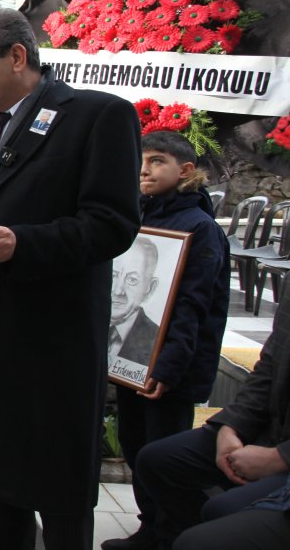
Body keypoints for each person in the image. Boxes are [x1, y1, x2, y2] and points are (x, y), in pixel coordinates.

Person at [0, 8, 141, 549]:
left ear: (16, 56)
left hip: (51, 348)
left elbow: (113, 224)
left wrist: (26, 244)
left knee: (60, 503)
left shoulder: (98, 116)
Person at [103, 131, 230, 550]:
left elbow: (193, 305)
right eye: (142, 161)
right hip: (134, 361)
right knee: (137, 446)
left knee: (162, 451)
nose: (145, 170)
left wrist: (168, 367)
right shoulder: (141, 214)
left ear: (186, 170)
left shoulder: (200, 227)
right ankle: (150, 527)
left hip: (169, 370)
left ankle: (172, 532)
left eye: (158, 161)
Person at [131, 288, 290, 549]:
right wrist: (230, 427)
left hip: (283, 457)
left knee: (218, 513)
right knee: (156, 461)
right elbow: (269, 366)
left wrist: (278, 458)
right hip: (268, 428)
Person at [108, 236, 162, 366]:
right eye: (114, 275)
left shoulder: (156, 339)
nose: (118, 291)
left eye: (132, 280)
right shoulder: (81, 320)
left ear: (149, 289)